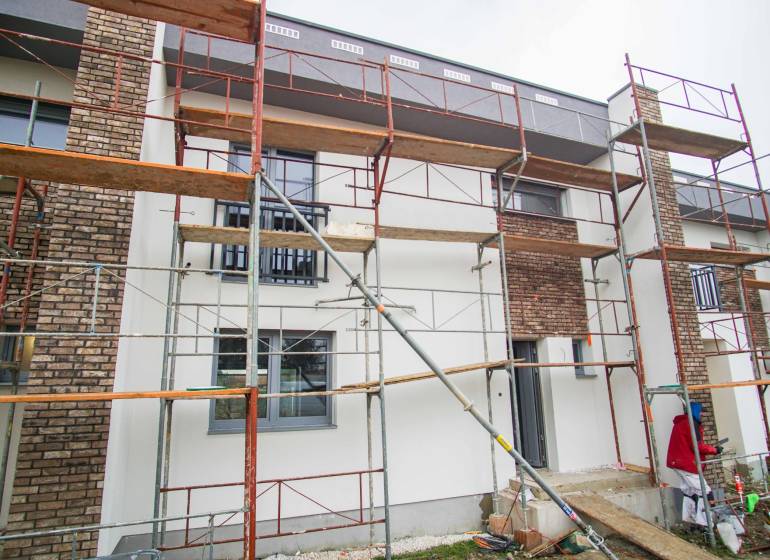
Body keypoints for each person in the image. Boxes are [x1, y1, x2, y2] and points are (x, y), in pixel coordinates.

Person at [666, 401, 723, 525]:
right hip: (686, 464)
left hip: (677, 462)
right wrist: (714, 450)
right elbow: (697, 446)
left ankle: (690, 520)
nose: (702, 414)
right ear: (696, 412)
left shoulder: (681, 423)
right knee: (705, 491)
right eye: (701, 411)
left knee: (688, 491)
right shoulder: (691, 424)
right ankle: (706, 524)